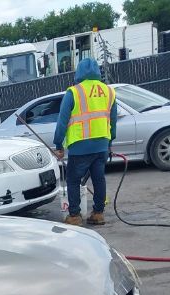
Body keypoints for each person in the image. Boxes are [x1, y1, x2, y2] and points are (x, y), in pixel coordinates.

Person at [53, 58, 118, 227]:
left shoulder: (74, 92)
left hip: (80, 146)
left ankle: (74, 216)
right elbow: (113, 121)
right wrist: (110, 143)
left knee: (73, 180)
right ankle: (98, 214)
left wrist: (58, 144)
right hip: (102, 144)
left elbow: (62, 121)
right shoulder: (109, 92)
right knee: (99, 179)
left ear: (79, 72)